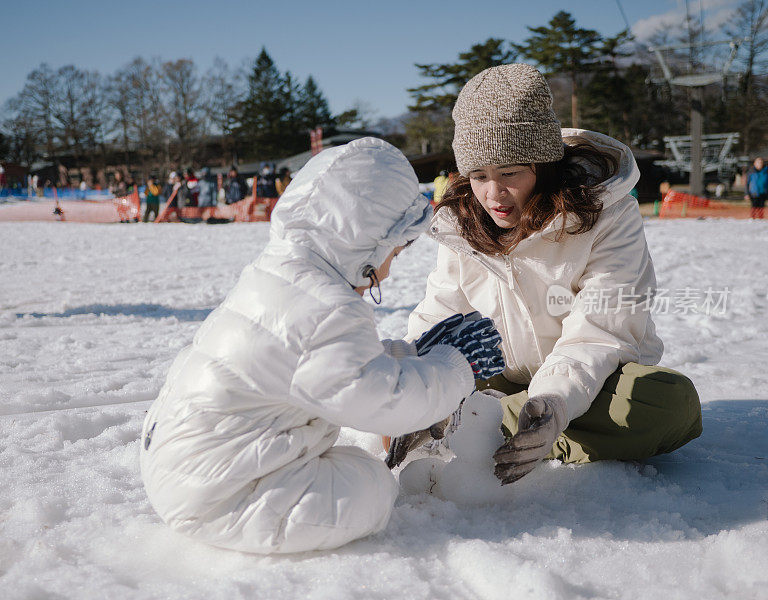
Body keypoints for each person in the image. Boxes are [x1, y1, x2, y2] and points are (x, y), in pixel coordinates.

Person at [139, 137, 504, 554]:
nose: (386, 270)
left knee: (350, 467)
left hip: (186, 466)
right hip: (219, 497)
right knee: (372, 489)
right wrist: (456, 365)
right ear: (367, 242)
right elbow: (383, 402)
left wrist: (412, 356)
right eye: (393, 254)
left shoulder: (280, 276)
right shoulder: (327, 309)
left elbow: (322, 364)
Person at [393, 64, 702, 484]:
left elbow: (600, 330)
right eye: (479, 175)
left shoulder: (609, 214)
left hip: (593, 376)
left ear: (543, 163)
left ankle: (492, 428)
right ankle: (482, 422)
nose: (493, 195)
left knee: (670, 403)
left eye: (510, 174)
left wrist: (552, 405)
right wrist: (414, 396)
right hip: (501, 371)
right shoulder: (463, 221)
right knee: (418, 384)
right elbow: (442, 313)